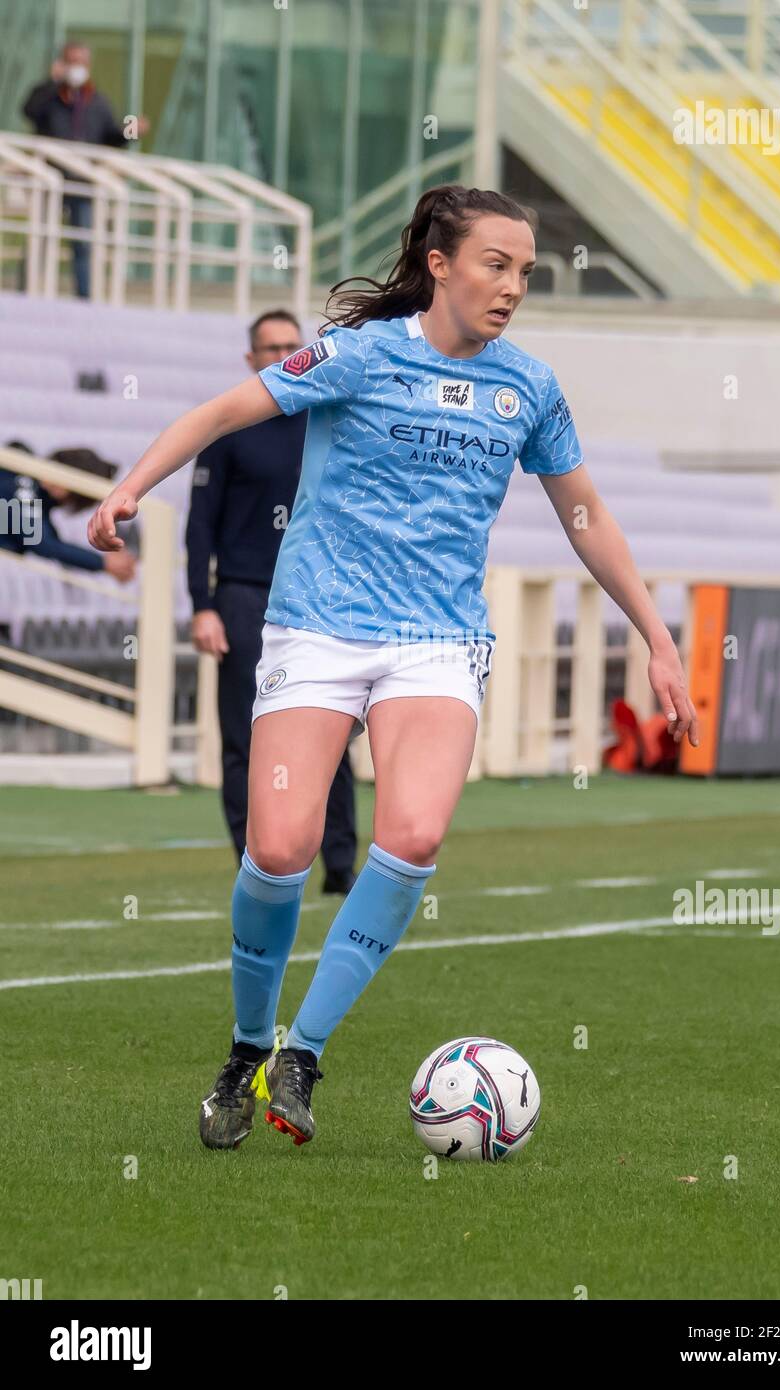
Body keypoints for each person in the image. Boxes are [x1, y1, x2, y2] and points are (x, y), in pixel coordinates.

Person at [87, 184, 699, 1154]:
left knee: (411, 832)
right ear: (442, 263)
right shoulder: (357, 354)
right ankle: (248, 1044)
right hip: (318, 628)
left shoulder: (527, 387)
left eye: (526, 272)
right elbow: (220, 413)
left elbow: (584, 516)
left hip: (437, 641)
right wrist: (128, 487)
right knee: (281, 847)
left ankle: (305, 1053)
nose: (512, 287)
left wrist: (657, 636)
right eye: (496, 265)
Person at [186, 308, 357, 888]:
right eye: (270, 347)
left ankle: (338, 866)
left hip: (318, 601)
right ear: (250, 358)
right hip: (242, 598)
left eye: (292, 344)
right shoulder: (231, 425)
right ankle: (252, 864)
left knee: (330, 735)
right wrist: (202, 604)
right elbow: (199, 525)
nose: (283, 354)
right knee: (243, 738)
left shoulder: (327, 417)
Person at [21, 41, 150, 297]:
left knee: (83, 243)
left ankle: (84, 298)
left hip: (83, 182)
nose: (76, 67)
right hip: (50, 178)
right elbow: (28, 111)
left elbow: (112, 135)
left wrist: (134, 128)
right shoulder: (48, 96)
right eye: (71, 61)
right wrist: (51, 82)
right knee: (39, 239)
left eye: (80, 62)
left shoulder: (97, 101)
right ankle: (29, 291)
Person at [1, 442, 135, 582]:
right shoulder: (21, 482)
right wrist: (103, 563)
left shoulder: (34, 494)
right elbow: (43, 544)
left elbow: (47, 539)